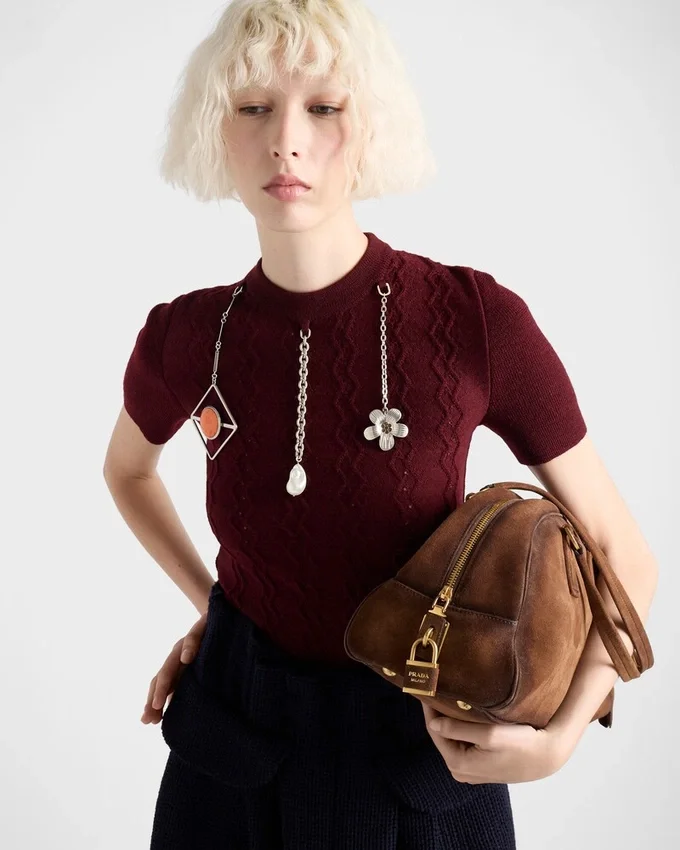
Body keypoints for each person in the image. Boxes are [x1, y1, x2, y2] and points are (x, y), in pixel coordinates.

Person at [103, 1, 659, 848]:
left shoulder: (475, 320)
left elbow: (625, 555)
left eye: (324, 107)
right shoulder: (186, 334)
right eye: (254, 107)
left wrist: (562, 735)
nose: (286, 140)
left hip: (426, 767)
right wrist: (214, 606)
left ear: (371, 126)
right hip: (230, 756)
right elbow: (127, 471)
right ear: (217, 127)